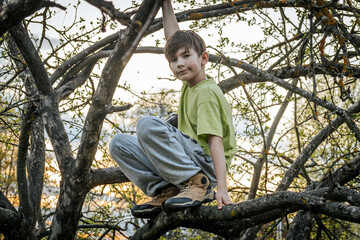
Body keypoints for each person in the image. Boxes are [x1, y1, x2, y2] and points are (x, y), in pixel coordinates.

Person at [109, 0, 237, 218]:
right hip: (188, 162)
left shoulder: (206, 93)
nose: (179, 63)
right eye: (173, 59)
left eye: (186, 56)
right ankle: (168, 190)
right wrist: (164, 3)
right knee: (119, 144)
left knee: (147, 125)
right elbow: (173, 38)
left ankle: (198, 185)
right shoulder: (191, 85)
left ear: (203, 58)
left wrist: (222, 188)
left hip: (206, 166)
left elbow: (216, 141)